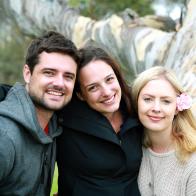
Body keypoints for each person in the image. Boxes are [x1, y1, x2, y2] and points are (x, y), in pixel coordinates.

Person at [0, 31, 79, 195]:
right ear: (27, 74)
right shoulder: (5, 136)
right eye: (49, 72)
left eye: (68, 76)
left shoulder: (54, 126)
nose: (59, 83)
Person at [56, 46, 143, 196]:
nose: (107, 92)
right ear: (81, 95)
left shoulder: (138, 110)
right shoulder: (64, 118)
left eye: (109, 79)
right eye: (93, 87)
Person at [131, 66, 196, 196]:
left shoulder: (192, 161)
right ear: (136, 102)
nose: (156, 108)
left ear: (177, 108)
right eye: (148, 99)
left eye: (166, 101)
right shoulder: (132, 147)